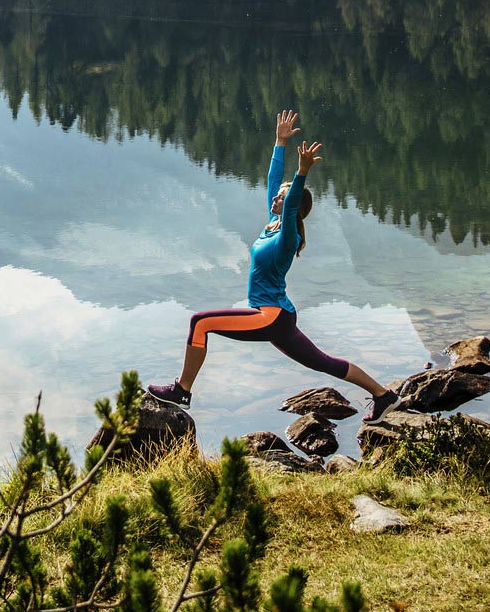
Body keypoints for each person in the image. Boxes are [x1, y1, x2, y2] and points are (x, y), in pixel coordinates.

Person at [148, 109, 402, 422]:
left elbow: (293, 199)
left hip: (270, 316)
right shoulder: (273, 223)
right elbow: (272, 181)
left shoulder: (288, 237)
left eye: (280, 198)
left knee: (200, 322)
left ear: (291, 206)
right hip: (278, 316)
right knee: (324, 362)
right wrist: (279, 143)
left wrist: (302, 173)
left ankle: (182, 391)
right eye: (277, 197)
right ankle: (384, 395)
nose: (275, 199)